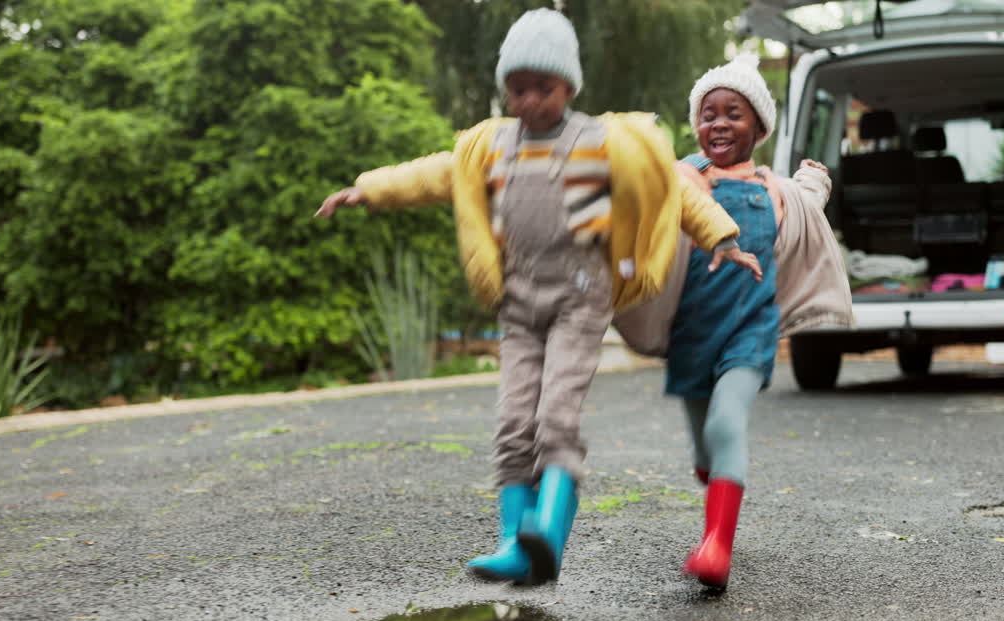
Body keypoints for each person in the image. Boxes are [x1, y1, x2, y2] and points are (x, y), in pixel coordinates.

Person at [315, 9, 759, 586]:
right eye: (517, 90)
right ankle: (513, 540)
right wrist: (368, 189)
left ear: (568, 86)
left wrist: (721, 233)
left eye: (542, 89)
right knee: (512, 421)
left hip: (581, 299)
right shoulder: (489, 147)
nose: (529, 102)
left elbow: (672, 188)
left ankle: (548, 528)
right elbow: (433, 174)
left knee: (555, 415)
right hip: (519, 303)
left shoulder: (601, 142)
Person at [653, 53, 851, 589]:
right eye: (709, 113)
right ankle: (715, 473)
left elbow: (807, 200)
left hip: (750, 330)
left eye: (733, 113)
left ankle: (717, 547)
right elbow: (646, 189)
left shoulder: (773, 188)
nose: (719, 122)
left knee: (725, 423)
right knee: (704, 448)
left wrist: (817, 180)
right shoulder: (684, 178)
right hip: (693, 333)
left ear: (759, 127)